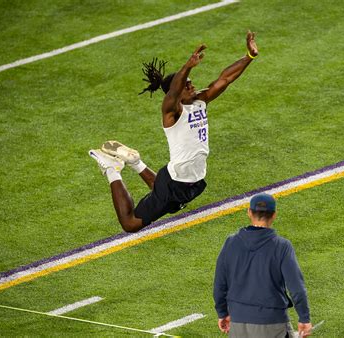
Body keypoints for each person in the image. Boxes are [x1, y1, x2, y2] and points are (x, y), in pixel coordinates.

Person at [89, 31, 258, 233]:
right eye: (186, 85)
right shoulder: (172, 112)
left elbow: (225, 78)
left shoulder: (200, 101)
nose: (191, 85)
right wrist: (186, 67)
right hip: (178, 181)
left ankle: (135, 162)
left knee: (163, 198)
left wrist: (249, 57)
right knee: (131, 223)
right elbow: (174, 91)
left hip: (188, 179)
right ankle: (111, 168)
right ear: (176, 92)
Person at [213, 193, 313, 337]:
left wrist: (222, 313)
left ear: (249, 212)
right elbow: (296, 288)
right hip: (272, 323)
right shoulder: (282, 246)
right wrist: (304, 318)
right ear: (274, 215)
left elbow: (219, 284)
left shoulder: (231, 243)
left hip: (238, 324)